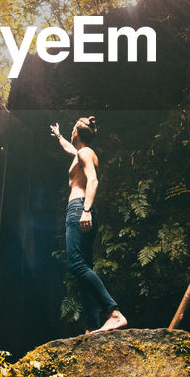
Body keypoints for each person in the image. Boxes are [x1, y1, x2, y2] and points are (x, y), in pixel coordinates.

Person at [50, 115, 127, 334]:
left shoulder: (85, 153)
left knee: (75, 264)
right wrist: (59, 137)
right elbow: (69, 150)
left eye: (71, 131)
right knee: (84, 268)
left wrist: (85, 210)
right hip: (81, 209)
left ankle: (114, 312)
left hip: (79, 208)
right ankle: (92, 326)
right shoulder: (81, 154)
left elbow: (92, 180)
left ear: (77, 132)